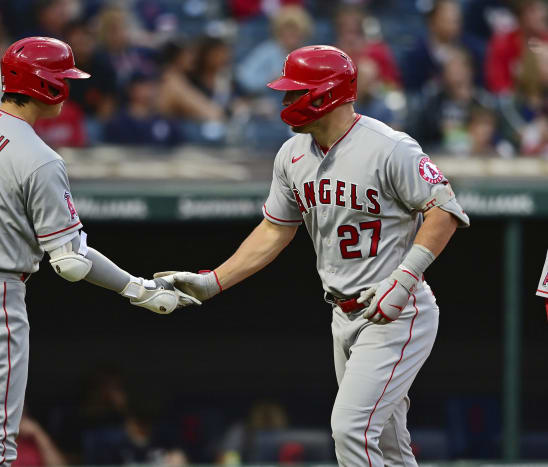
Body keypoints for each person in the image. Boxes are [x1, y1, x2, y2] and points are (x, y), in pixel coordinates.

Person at [157, 46, 470, 466]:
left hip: (397, 310)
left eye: (294, 92)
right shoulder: (291, 155)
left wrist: (404, 277)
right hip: (343, 314)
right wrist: (214, 281)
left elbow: (445, 210)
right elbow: (273, 230)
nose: (285, 102)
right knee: (391, 446)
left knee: (351, 429)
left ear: (327, 94)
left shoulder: (389, 147)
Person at [0, 36, 199, 466]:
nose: (69, 86)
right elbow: (70, 263)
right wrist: (137, 289)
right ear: (46, 87)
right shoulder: (39, 157)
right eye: (63, 79)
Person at [402, 0, 485, 92]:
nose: (453, 25)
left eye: (456, 21)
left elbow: (481, 87)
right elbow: (412, 91)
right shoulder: (417, 55)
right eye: (447, 21)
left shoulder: (473, 49)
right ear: (432, 21)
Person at [236, 5, 313, 96]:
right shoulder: (267, 51)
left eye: (295, 32)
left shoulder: (309, 54)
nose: (291, 36)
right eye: (287, 31)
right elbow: (244, 77)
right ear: (279, 32)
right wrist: (270, 81)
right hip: (268, 98)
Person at [105, 72, 183, 146]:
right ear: (130, 89)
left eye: (151, 85)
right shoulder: (118, 123)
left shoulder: (165, 121)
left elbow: (179, 147)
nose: (148, 90)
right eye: (143, 85)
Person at [486, 0, 548, 94]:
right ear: (520, 16)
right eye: (533, 11)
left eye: (542, 9)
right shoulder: (503, 44)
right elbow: (498, 85)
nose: (542, 15)